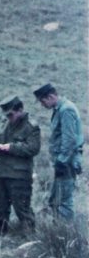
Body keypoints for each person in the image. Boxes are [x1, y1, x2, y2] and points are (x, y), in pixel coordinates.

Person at [0, 96, 40, 234]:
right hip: (2, 172)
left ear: (20, 110)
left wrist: (10, 147)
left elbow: (33, 148)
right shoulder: (6, 123)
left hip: (19, 175)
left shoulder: (31, 126)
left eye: (11, 114)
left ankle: (30, 238)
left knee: (22, 209)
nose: (8, 118)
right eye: (7, 115)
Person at [34, 83, 84, 220]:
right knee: (57, 198)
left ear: (50, 97)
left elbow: (70, 139)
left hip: (67, 162)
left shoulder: (66, 110)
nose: (42, 105)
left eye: (43, 101)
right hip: (63, 161)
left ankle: (66, 230)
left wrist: (62, 161)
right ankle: (58, 228)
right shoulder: (60, 109)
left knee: (64, 201)